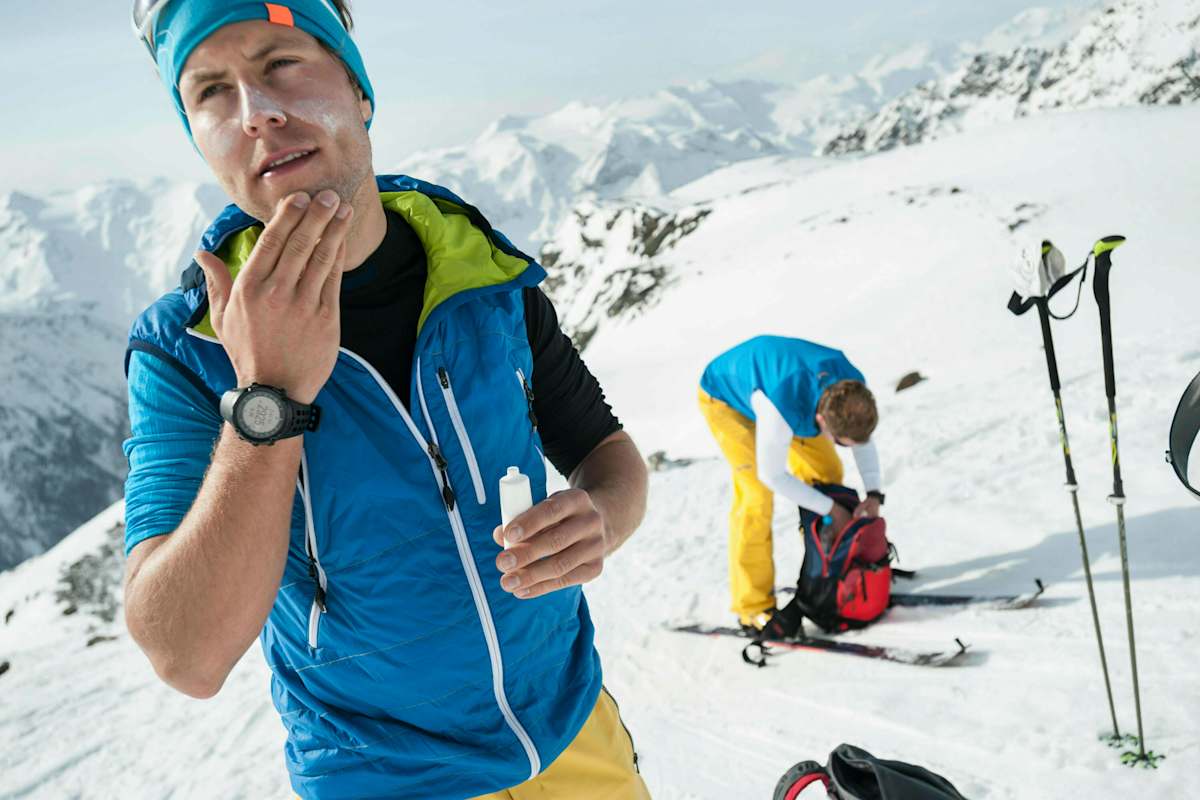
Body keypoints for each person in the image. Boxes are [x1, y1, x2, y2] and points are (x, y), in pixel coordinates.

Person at [120, 2, 650, 798]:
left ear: (359, 90)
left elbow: (605, 451)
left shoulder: (478, 273)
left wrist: (603, 517)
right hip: (379, 777)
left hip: (573, 728)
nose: (256, 113)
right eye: (211, 93)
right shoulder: (186, 347)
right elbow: (186, 656)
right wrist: (268, 397)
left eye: (280, 64)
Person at [697, 335, 884, 633]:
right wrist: (832, 510)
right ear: (821, 420)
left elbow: (860, 439)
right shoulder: (781, 405)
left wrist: (874, 494)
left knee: (827, 473)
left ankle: (824, 567)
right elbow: (771, 476)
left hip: (785, 390)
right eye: (839, 442)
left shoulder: (854, 390)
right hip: (725, 397)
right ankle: (752, 607)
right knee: (756, 498)